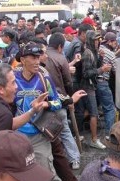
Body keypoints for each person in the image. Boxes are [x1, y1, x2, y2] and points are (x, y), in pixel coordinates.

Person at [14, 42, 73, 181]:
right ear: (23, 59)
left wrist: (46, 105)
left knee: (47, 171)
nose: (36, 61)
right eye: (32, 57)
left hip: (39, 134)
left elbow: (57, 101)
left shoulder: (43, 78)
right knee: (19, 172)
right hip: (17, 134)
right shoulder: (12, 77)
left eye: (38, 57)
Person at [45, 33, 82, 170]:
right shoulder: (60, 58)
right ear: (60, 46)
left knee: (48, 133)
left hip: (44, 101)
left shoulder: (42, 57)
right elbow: (68, 81)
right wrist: (70, 97)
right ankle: (74, 158)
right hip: (59, 99)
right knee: (65, 130)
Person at [76, 30, 111, 149]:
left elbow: (94, 67)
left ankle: (78, 134)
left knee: (87, 112)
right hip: (87, 86)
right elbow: (86, 73)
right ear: (91, 40)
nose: (98, 42)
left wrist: (101, 58)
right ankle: (94, 139)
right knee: (94, 113)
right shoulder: (87, 53)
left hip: (91, 85)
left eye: (99, 40)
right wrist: (102, 70)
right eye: (96, 40)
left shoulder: (93, 52)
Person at [97, 31, 117, 137]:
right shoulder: (110, 54)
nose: (116, 44)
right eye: (114, 42)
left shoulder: (98, 49)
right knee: (110, 109)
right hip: (102, 82)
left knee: (95, 109)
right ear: (110, 42)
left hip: (92, 83)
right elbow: (116, 70)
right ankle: (109, 133)